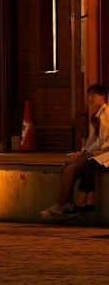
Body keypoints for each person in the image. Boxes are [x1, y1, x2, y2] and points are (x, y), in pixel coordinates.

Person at [41, 83, 109, 218]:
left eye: (93, 96)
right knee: (68, 166)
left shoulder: (105, 114)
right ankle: (66, 203)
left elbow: (104, 142)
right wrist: (83, 151)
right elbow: (94, 140)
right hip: (98, 152)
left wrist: (87, 153)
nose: (90, 99)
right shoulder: (97, 115)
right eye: (89, 96)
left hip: (103, 153)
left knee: (73, 167)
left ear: (102, 97)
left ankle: (62, 204)